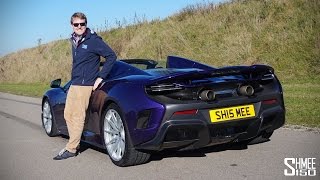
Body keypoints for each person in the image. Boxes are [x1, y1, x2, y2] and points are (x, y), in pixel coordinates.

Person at [53, 12, 117, 160]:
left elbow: (111, 56)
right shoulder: (75, 40)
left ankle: (72, 148)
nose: (79, 27)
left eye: (82, 24)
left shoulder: (93, 40)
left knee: (78, 115)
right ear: (72, 25)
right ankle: (75, 142)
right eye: (76, 24)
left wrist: (100, 77)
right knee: (67, 114)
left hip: (86, 84)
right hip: (75, 83)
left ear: (86, 24)